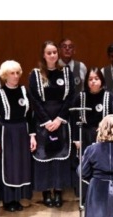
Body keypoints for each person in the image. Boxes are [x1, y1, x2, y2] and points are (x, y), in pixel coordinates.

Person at [28, 40, 75, 208]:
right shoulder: (35, 74)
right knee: (45, 155)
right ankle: (46, 191)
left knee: (60, 155)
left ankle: (59, 190)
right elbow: (33, 99)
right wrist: (47, 121)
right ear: (43, 55)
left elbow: (71, 98)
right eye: (49, 53)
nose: (53, 55)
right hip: (43, 122)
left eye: (55, 52)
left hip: (61, 120)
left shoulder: (66, 72)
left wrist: (58, 119)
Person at [0, 60, 36, 212]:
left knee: (21, 165)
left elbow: (30, 116)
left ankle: (18, 198)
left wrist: (32, 136)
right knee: (9, 166)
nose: (16, 76)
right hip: (7, 132)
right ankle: (8, 199)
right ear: (5, 76)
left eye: (18, 73)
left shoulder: (25, 91)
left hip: (23, 131)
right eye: (12, 73)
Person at [71, 67, 113, 201]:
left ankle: (103, 196)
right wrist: (76, 139)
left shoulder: (109, 97)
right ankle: (86, 196)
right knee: (86, 166)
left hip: (104, 138)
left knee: (103, 166)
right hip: (85, 136)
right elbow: (74, 119)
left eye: (96, 79)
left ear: (102, 81)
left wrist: (112, 138)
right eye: (90, 79)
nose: (93, 82)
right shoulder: (80, 97)